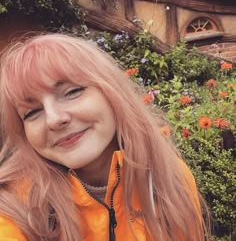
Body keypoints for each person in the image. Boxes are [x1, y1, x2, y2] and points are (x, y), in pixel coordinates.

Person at [0, 33, 209, 240]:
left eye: (72, 92)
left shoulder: (169, 176)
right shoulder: (14, 210)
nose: (54, 119)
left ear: (112, 92)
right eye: (32, 112)